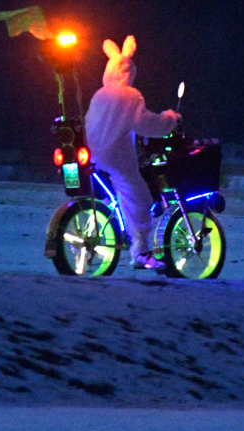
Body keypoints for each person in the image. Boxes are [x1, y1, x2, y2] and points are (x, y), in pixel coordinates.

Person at [83, 35, 180, 270]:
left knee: (115, 192)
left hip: (94, 153)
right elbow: (147, 125)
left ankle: (103, 227)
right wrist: (170, 119)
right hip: (116, 155)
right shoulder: (130, 96)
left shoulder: (99, 95)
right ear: (129, 72)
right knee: (140, 196)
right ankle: (141, 250)